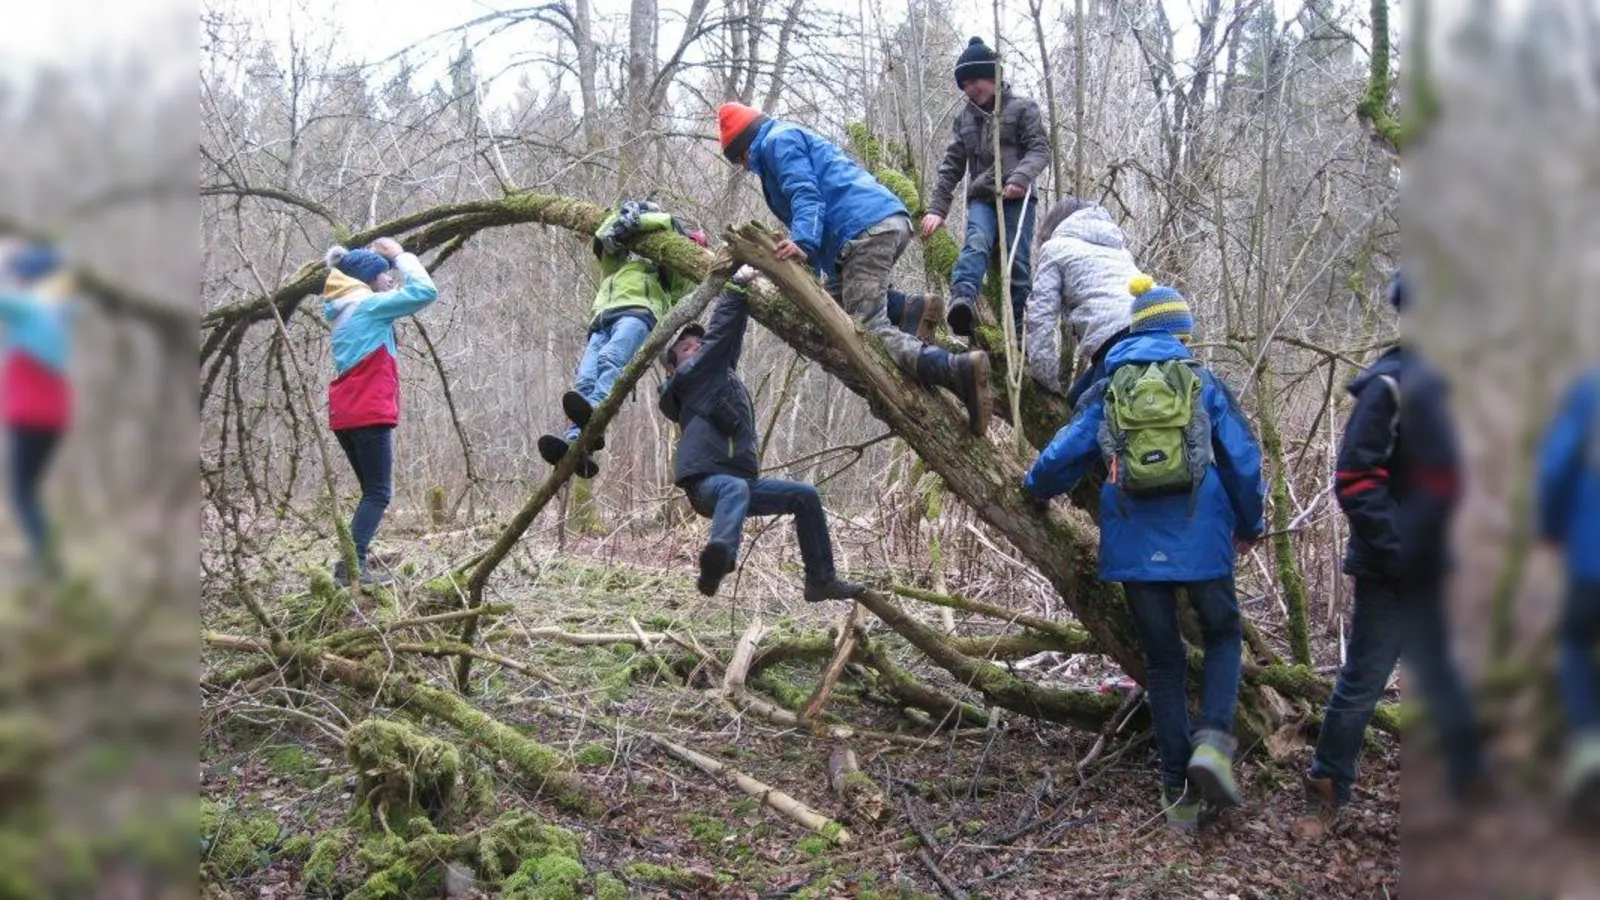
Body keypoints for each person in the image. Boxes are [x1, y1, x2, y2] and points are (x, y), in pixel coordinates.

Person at [1022, 275, 1265, 832]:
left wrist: (1033, 487)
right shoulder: (1201, 382)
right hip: (1203, 537)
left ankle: (1178, 792)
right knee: (1225, 636)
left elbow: (1067, 449)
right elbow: (1244, 462)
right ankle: (1213, 744)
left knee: (1163, 664)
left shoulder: (1110, 384)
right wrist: (1251, 524)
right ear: (1183, 333)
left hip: (1134, 542)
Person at [1304, 271, 1486, 815]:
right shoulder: (1388, 386)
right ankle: (1326, 791)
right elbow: (1356, 479)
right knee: (1363, 682)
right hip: (1393, 569)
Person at [716, 101, 992, 436]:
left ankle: (955, 370)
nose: (744, 167)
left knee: (865, 330)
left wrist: (802, 242)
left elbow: (806, 194)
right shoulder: (780, 139)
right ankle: (907, 308)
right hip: (865, 230)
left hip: (864, 231)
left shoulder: (778, 142)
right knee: (825, 320)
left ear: (746, 145)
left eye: (740, 158)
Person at [659, 273, 863, 602]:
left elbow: (729, 340)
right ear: (674, 365)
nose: (696, 347)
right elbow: (720, 336)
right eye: (685, 347)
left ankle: (821, 580)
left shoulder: (715, 376)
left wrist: (741, 298)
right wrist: (733, 288)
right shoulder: (690, 377)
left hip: (737, 487)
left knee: (805, 496)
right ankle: (720, 557)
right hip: (708, 486)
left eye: (698, 343)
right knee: (734, 487)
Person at [537, 200, 707, 479]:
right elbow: (605, 240)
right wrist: (624, 220)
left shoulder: (673, 269)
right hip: (602, 318)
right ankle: (575, 444)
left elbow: (667, 226)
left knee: (611, 360)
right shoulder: (628, 261)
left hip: (639, 313)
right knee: (584, 380)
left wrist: (640, 220)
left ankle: (596, 416)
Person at [322, 237, 439, 587]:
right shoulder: (368, 306)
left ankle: (354, 561)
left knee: (370, 494)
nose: (390, 279)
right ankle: (351, 567)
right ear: (368, 280)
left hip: (346, 413)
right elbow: (424, 292)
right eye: (385, 274)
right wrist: (400, 256)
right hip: (368, 412)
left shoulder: (343, 309)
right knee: (378, 494)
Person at [920, 36, 1051, 337]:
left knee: (1017, 262)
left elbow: (1039, 150)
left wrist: (1020, 179)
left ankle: (1019, 332)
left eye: (973, 81)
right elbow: (952, 165)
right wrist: (937, 209)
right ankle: (963, 301)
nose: (969, 89)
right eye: (963, 85)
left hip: (1018, 198)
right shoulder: (964, 119)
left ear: (992, 76)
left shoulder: (1022, 108)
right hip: (982, 198)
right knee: (976, 242)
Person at [1536, 365, 1600, 821]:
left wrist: (1552, 529)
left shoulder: (1591, 392)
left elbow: (1555, 467)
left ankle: (1589, 753)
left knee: (1576, 644)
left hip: (1592, 558)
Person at [0, 241, 75, 582]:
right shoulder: (59, 311)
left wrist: (5, 260)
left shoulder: (31, 309)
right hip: (53, 418)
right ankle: (46, 560)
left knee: (21, 491)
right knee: (28, 490)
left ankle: (48, 565)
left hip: (31, 417)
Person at [1023, 197, 1142, 410]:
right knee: (1076, 401)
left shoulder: (1054, 248)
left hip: (1116, 343)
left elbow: (1041, 316)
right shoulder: (1120, 251)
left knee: (1080, 420)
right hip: (1154, 332)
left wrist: (1045, 381)